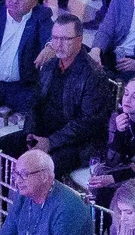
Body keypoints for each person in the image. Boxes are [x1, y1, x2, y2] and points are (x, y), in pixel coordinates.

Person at [26, 12, 117, 178]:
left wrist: (50, 142)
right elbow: (35, 103)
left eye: (66, 39)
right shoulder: (49, 66)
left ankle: (40, 203)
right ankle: (0, 204)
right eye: (55, 38)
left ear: (80, 40)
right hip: (47, 134)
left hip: (78, 144)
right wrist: (30, 134)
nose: (58, 44)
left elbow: (88, 124)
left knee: (40, 171)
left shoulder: (93, 75)